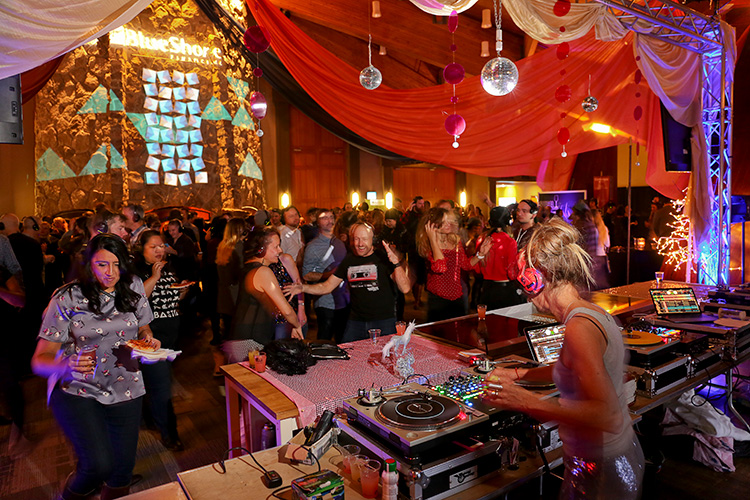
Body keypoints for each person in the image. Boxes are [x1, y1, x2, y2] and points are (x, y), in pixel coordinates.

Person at [484, 219, 644, 499]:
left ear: (536, 278)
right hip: (607, 457)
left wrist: (521, 400)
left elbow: (605, 414)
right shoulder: (588, 313)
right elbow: (573, 369)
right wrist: (520, 374)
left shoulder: (579, 328)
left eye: (523, 277)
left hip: (602, 465)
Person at [31, 234, 160, 500]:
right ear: (89, 264)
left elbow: (143, 324)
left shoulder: (133, 285)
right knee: (98, 465)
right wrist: (67, 365)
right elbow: (39, 360)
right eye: (102, 264)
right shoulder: (67, 297)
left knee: (122, 471)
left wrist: (147, 337)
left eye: (116, 264)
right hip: (78, 390)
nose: (110, 273)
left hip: (126, 387)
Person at [286, 223, 410, 342]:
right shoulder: (349, 260)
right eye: (356, 239)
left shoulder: (383, 258)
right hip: (356, 321)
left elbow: (405, 288)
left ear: (373, 239)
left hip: (383, 321)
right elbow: (327, 286)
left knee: (384, 357)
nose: (360, 244)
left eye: (364, 239)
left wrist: (396, 263)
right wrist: (302, 288)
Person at [134, 230, 189, 452]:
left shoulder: (168, 266)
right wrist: (154, 277)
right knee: (161, 387)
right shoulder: (136, 271)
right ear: (142, 249)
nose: (159, 250)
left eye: (161, 246)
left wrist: (182, 291)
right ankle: (169, 434)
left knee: (157, 384)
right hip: (150, 335)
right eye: (153, 247)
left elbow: (172, 298)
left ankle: (150, 419)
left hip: (171, 333)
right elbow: (137, 300)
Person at [223, 228, 303, 363]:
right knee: (252, 383)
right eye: (276, 247)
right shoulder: (263, 272)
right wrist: (297, 325)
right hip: (250, 343)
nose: (280, 251)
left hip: (242, 339)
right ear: (261, 250)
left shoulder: (249, 268)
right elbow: (287, 311)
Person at [416, 208, 488, 322]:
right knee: (440, 336)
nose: (448, 225)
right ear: (433, 225)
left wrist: (480, 255)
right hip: (438, 299)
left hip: (457, 296)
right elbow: (441, 267)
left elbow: (466, 265)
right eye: (444, 222)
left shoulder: (454, 240)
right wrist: (433, 239)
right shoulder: (427, 245)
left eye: (448, 221)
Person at [302, 209, 349, 342]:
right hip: (325, 300)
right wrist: (329, 274)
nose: (329, 220)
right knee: (325, 338)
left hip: (344, 299)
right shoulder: (312, 247)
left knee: (343, 339)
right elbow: (306, 275)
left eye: (331, 217)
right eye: (324, 218)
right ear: (317, 222)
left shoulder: (341, 242)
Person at [475, 206, 522, 311]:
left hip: (486, 289)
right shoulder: (510, 242)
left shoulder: (482, 239)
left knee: (489, 324)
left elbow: (477, 269)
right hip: (505, 290)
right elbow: (512, 273)